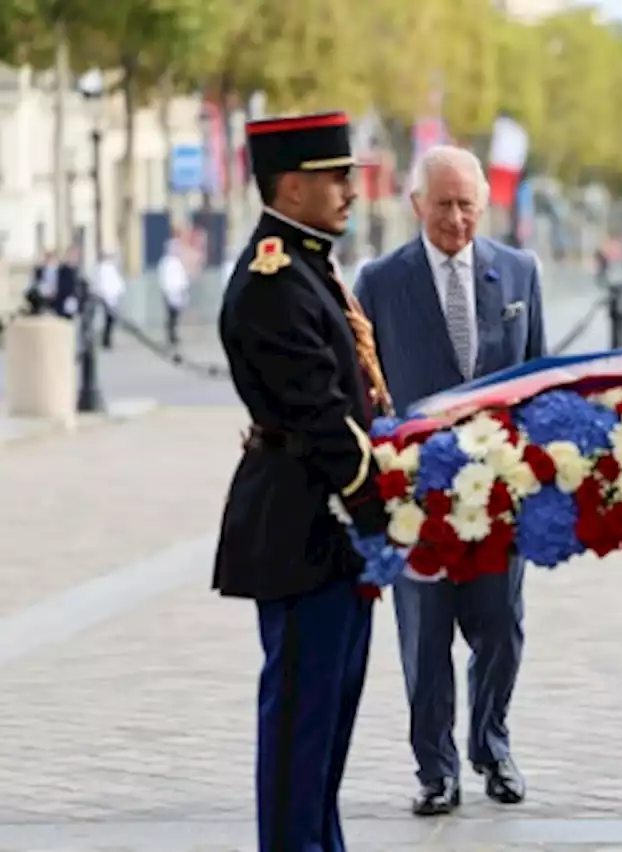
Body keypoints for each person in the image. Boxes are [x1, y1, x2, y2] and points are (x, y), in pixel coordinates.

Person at [213, 110, 396, 852]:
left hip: (329, 531)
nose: (352, 190)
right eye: (336, 178)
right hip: (305, 527)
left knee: (323, 737)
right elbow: (321, 416)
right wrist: (381, 505)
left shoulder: (306, 263)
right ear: (291, 187)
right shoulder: (274, 278)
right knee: (299, 733)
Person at [355, 145, 546, 817]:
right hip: (418, 498)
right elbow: (363, 391)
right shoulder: (378, 281)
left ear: (484, 204)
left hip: (500, 496)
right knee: (425, 636)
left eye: (468, 204)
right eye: (443, 204)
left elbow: (541, 382)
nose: (456, 218)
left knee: (501, 628)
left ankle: (491, 745)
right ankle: (435, 769)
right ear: (416, 205)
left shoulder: (520, 272)